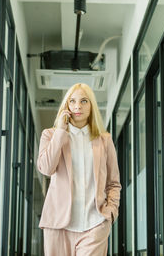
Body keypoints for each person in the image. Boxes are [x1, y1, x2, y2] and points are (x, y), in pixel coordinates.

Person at [37, 83, 121, 256]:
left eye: (84, 101)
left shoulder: (105, 140)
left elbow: (113, 183)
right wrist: (60, 131)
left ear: (91, 106)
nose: (77, 106)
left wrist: (110, 213)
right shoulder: (50, 135)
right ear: (66, 106)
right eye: (72, 101)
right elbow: (46, 168)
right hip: (58, 227)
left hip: (95, 224)